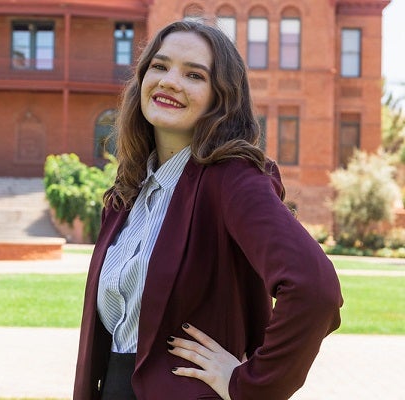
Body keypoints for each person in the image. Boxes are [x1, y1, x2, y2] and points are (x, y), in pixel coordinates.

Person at [73, 18, 343, 400]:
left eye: (194, 75)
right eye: (160, 66)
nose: (169, 81)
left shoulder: (233, 179)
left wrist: (251, 384)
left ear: (220, 98)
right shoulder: (125, 196)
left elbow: (315, 289)